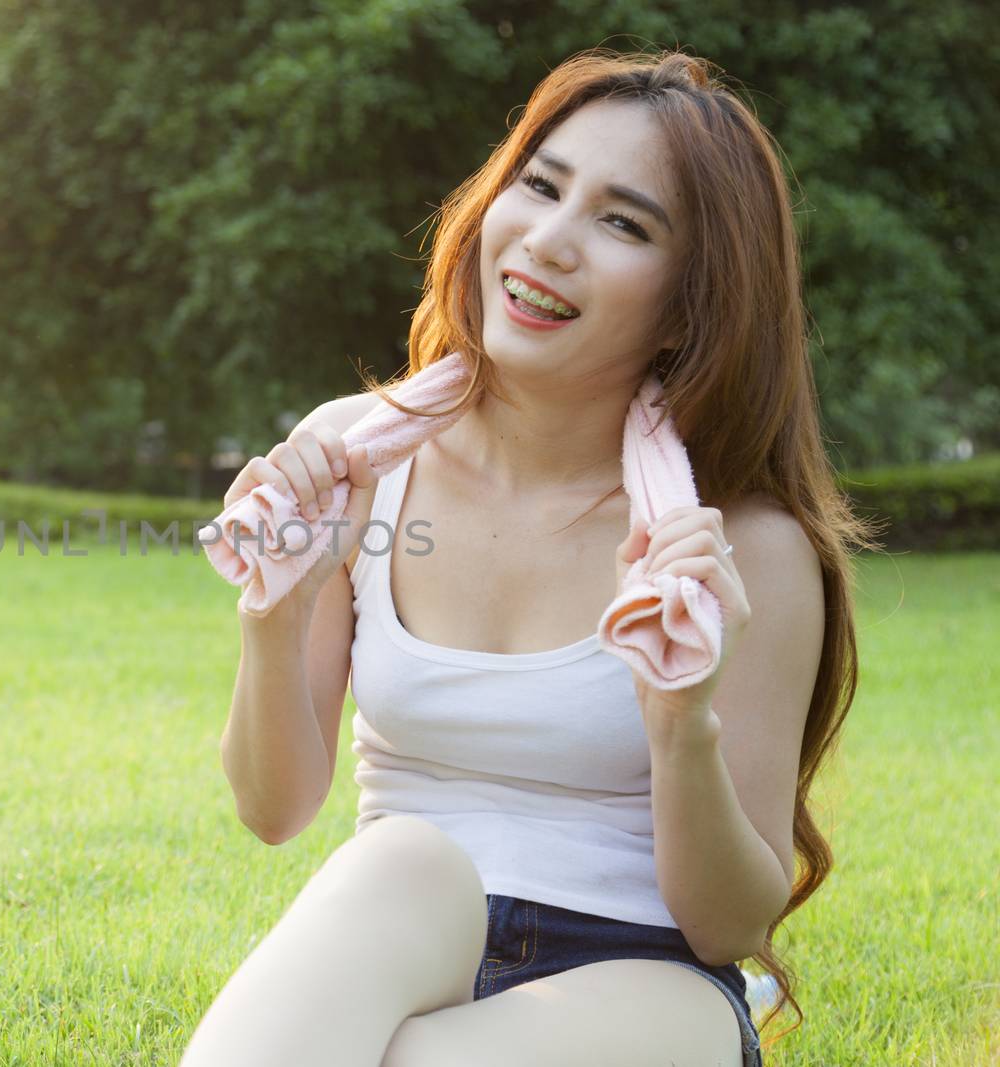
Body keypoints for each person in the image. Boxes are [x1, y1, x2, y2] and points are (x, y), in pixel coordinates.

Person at [180, 48, 881, 1067]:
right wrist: (272, 618)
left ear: (693, 300)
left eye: (622, 222)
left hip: (642, 982)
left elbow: (730, 923)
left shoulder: (734, 547)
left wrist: (680, 722)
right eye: (540, 186)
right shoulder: (358, 458)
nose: (548, 241)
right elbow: (273, 806)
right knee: (403, 858)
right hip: (408, 935)